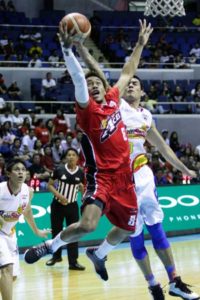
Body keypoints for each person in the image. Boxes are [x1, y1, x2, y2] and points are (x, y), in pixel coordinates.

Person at [24, 19, 153, 282]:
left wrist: (139, 44)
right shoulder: (87, 111)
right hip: (101, 176)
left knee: (128, 228)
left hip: (125, 177)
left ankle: (100, 253)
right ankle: (50, 246)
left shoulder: (114, 99)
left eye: (98, 83)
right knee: (88, 225)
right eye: (90, 83)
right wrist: (67, 50)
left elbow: (128, 70)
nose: (93, 85)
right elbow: (78, 79)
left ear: (104, 88)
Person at [75, 39, 200, 300]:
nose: (130, 84)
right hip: (118, 179)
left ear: (143, 92)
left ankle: (174, 280)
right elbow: (99, 71)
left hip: (141, 175)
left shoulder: (146, 116)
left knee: (156, 227)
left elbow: (164, 150)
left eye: (135, 84)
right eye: (129, 83)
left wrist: (186, 168)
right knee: (134, 234)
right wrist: (82, 49)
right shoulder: (115, 105)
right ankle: (152, 284)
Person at [0, 158, 50, 300]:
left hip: (10, 233)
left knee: (12, 276)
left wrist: (37, 231)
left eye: (23, 169)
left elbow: (27, 211)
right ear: (8, 173)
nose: (21, 172)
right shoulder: (1, 190)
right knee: (7, 269)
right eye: (17, 169)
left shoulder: (28, 191)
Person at [46, 148, 85, 271]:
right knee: (56, 232)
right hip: (57, 205)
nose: (71, 157)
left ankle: (73, 262)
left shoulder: (81, 172)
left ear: (77, 158)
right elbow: (49, 185)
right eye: (69, 155)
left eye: (74, 155)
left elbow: (84, 190)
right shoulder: (59, 169)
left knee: (73, 234)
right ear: (65, 158)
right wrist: (59, 196)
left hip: (72, 206)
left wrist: (82, 188)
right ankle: (56, 256)